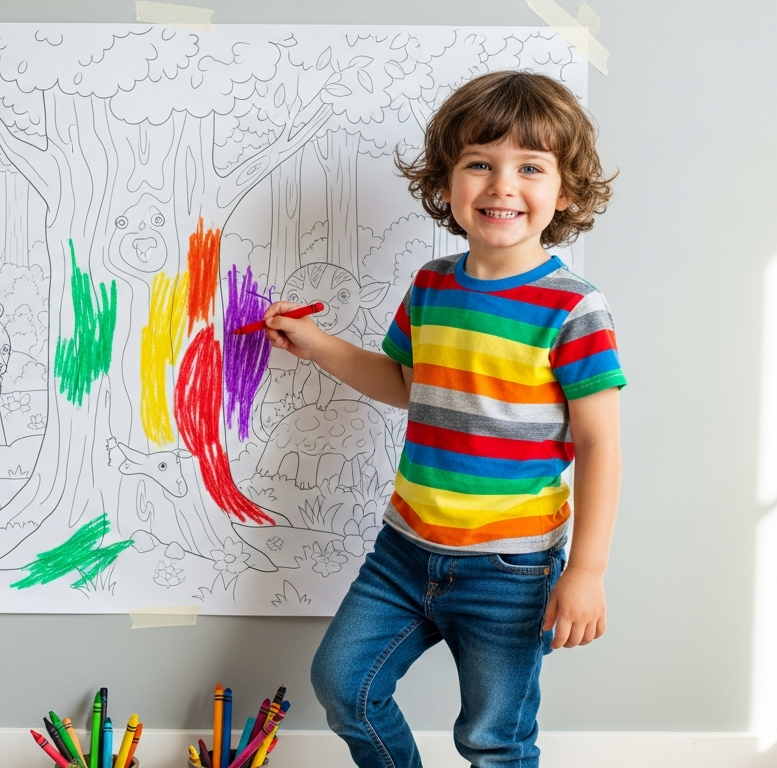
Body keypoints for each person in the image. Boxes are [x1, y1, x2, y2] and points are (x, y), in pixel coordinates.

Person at [263, 70, 623, 767]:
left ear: (565, 191)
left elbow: (601, 442)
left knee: (493, 739)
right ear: (447, 180)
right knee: (345, 687)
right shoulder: (431, 283)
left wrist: (587, 570)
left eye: (529, 167)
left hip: (509, 569)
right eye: (478, 164)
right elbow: (406, 383)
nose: (501, 186)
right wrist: (319, 346)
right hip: (403, 550)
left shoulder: (574, 309)